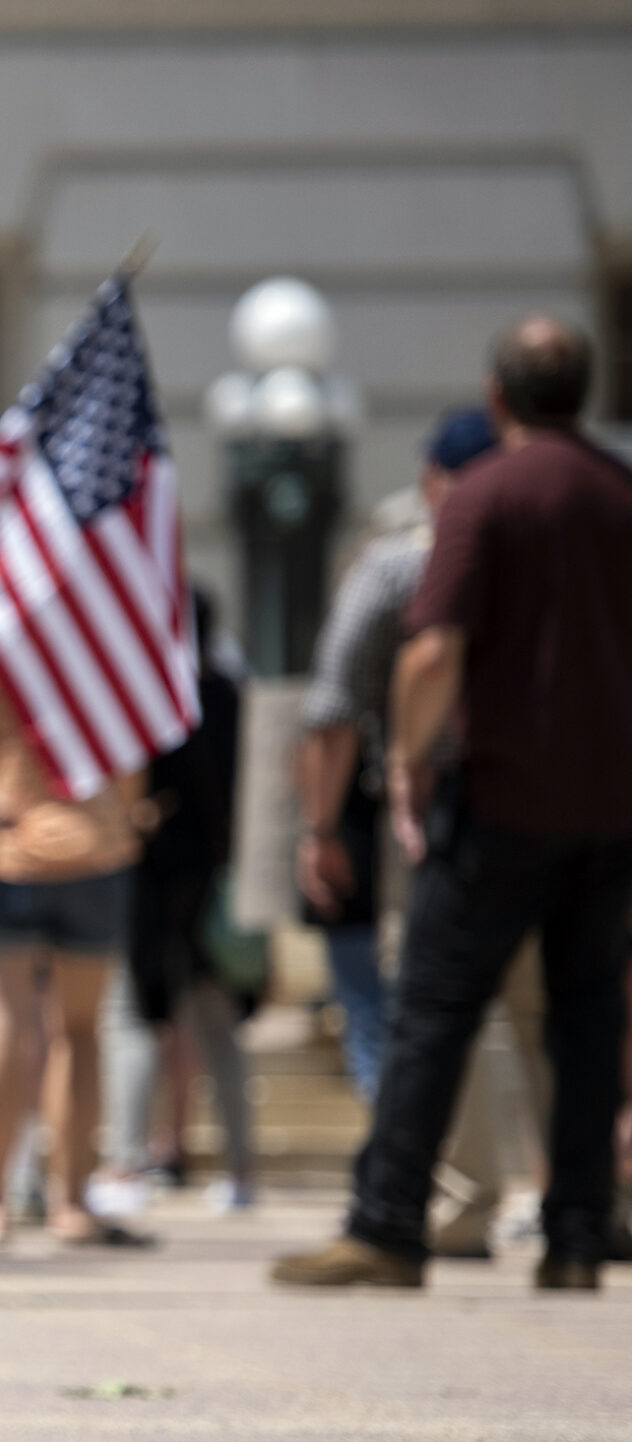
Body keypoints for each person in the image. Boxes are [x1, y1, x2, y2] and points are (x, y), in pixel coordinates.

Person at [276, 315, 632, 1293]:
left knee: (432, 1010)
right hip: (610, 807)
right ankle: (575, 1234)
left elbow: (432, 648)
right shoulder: (619, 492)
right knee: (587, 1017)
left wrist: (406, 760)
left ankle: (387, 1223)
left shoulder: (485, 493)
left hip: (501, 797)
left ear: (497, 397)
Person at [293, 406, 534, 1259]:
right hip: (577, 805)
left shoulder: (401, 565)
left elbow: (330, 708)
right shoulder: (569, 549)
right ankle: (584, 1203)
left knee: (439, 1006)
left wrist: (328, 819)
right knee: (554, 1011)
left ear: (435, 479)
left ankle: (465, 1200)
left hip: (447, 809)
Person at [0, 554, 148, 1254]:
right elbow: (138, 746)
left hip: (0, 848)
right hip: (95, 845)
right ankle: (71, 1203)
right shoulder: (108, 627)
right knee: (80, 1032)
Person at [96, 591, 256, 1212]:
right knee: (219, 1028)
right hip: (220, 883)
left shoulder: (154, 699)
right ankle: (242, 1172)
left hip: (158, 881)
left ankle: (123, 1165)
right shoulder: (230, 696)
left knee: (136, 1018)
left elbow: (145, 792)